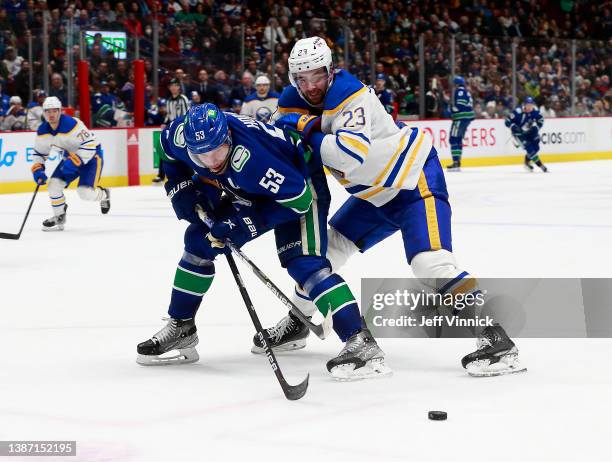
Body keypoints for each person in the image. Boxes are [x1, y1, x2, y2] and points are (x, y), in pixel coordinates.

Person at [261, 37, 524, 377]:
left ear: (330, 70)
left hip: (414, 180)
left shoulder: (349, 94)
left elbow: (346, 156)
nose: (310, 86)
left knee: (430, 263)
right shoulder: (292, 101)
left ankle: (496, 337)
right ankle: (299, 322)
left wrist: (307, 129)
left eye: (317, 76)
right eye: (302, 79)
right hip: (374, 194)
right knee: (322, 258)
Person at [136, 103, 391, 380]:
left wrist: (243, 223)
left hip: (297, 187)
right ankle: (182, 327)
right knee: (199, 242)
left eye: (217, 151)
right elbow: (168, 155)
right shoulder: (181, 135)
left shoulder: (254, 158)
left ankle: (360, 340)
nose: (211, 161)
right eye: (202, 155)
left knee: (305, 264)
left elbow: (298, 201)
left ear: (228, 139)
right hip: (248, 186)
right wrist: (180, 188)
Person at [30, 97, 110, 231]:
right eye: (48, 111)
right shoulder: (43, 131)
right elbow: (39, 154)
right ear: (44, 113)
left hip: (91, 157)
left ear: (60, 111)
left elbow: (89, 145)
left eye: (54, 111)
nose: (51, 114)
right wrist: (38, 170)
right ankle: (59, 216)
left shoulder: (72, 124)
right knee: (53, 185)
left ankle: (105, 194)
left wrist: (72, 163)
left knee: (84, 193)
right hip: (69, 159)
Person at [152, 78, 190, 184]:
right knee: (163, 148)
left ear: (179, 87)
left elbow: (187, 113)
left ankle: (188, 173)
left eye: (175, 85)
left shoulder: (183, 99)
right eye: (171, 86)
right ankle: (160, 175)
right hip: (172, 129)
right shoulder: (168, 101)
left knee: (184, 151)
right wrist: (165, 123)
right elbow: (168, 115)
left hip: (182, 129)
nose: (173, 88)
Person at [505, 96, 547, 172]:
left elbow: (541, 120)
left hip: (528, 131)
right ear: (524, 104)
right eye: (528, 105)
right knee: (529, 148)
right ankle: (541, 165)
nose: (530, 107)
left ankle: (527, 162)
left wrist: (536, 127)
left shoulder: (535, 111)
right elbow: (507, 121)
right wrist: (513, 126)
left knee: (536, 148)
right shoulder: (517, 112)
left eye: (531, 105)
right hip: (518, 134)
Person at [447, 76, 475, 171]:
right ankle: (457, 162)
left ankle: (456, 162)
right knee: (458, 139)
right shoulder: (466, 91)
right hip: (466, 118)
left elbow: (460, 105)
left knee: (453, 139)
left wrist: (450, 110)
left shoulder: (459, 91)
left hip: (460, 118)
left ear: (456, 84)